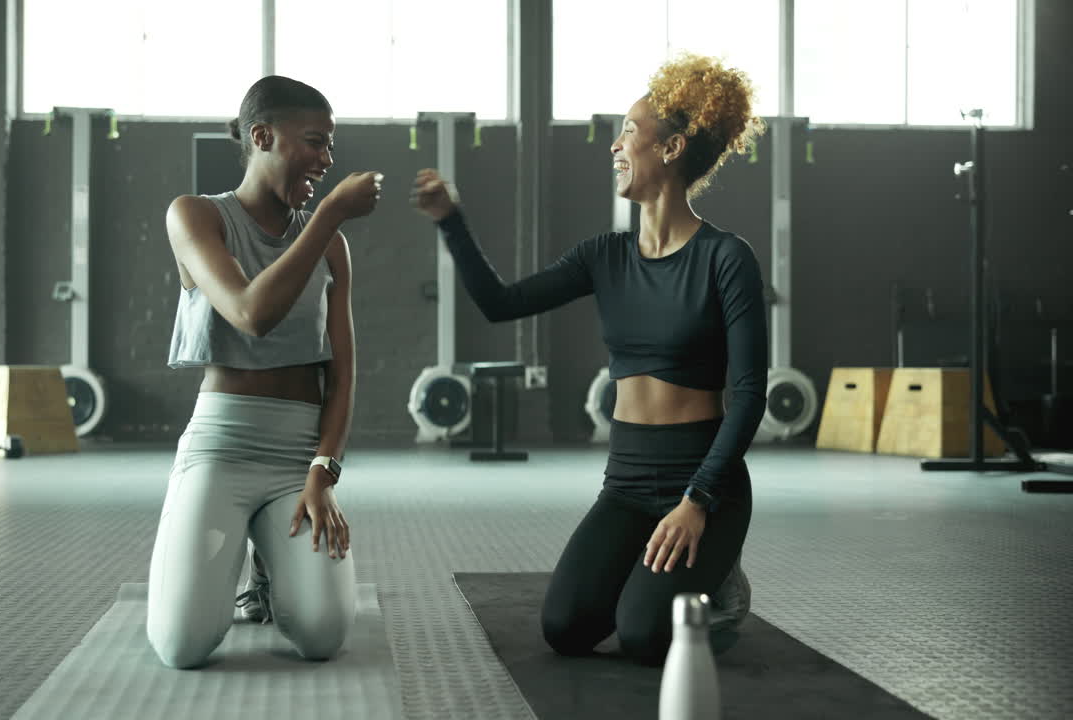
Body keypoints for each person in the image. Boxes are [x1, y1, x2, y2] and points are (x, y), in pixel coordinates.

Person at [411, 53, 767, 665]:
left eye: (628, 131)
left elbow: (750, 393)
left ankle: (722, 585)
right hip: (626, 481)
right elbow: (500, 303)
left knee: (644, 636)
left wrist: (697, 501)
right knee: (566, 627)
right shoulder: (604, 256)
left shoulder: (727, 258)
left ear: (672, 147)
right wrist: (451, 221)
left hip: (704, 485)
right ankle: (657, 575)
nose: (614, 147)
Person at [147, 75, 383, 668]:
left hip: (297, 460)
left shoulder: (331, 246)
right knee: (182, 646)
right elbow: (251, 313)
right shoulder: (195, 216)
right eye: (315, 142)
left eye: (331, 146)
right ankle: (217, 562)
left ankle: (270, 574)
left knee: (322, 636)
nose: (327, 160)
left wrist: (323, 471)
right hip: (220, 449)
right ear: (262, 137)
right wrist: (331, 213)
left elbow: (343, 375)